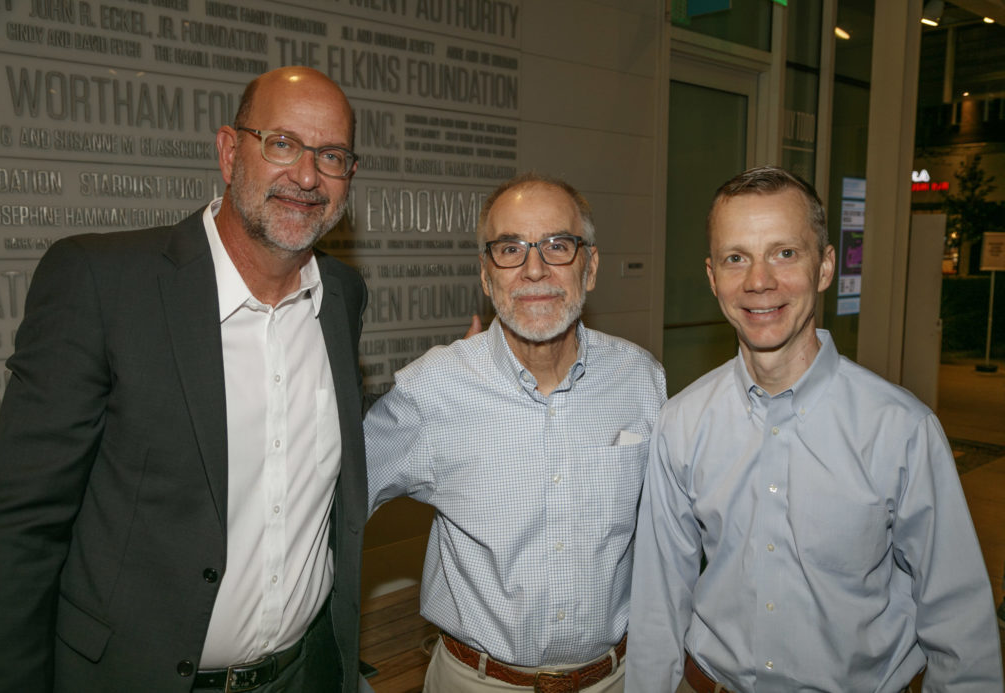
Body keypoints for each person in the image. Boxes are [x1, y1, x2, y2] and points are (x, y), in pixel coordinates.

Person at [0, 67, 368, 693]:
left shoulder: (343, 297)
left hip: (305, 675)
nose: (306, 175)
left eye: (331, 155)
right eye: (282, 143)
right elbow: (18, 527)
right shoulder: (103, 283)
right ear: (228, 150)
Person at [626, 166, 1004, 692]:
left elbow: (960, 624)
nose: (759, 281)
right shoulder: (682, 424)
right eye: (737, 258)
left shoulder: (901, 430)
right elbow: (657, 604)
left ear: (825, 266)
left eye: (785, 253)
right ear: (713, 277)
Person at [365, 173, 667, 692]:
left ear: (589, 267)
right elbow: (327, 509)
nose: (533, 269)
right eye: (510, 248)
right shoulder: (435, 389)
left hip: (615, 680)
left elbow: (673, 534)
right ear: (486, 276)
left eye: (557, 245)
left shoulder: (640, 379)